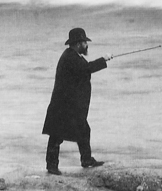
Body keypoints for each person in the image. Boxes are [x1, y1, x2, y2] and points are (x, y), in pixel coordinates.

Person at [42, 27, 113, 175]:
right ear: (78, 43)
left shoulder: (72, 56)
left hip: (66, 104)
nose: (87, 45)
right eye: (84, 42)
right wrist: (103, 59)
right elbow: (87, 69)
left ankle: (85, 160)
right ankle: (53, 165)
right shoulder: (71, 58)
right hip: (63, 105)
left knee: (81, 130)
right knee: (57, 135)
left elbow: (84, 69)